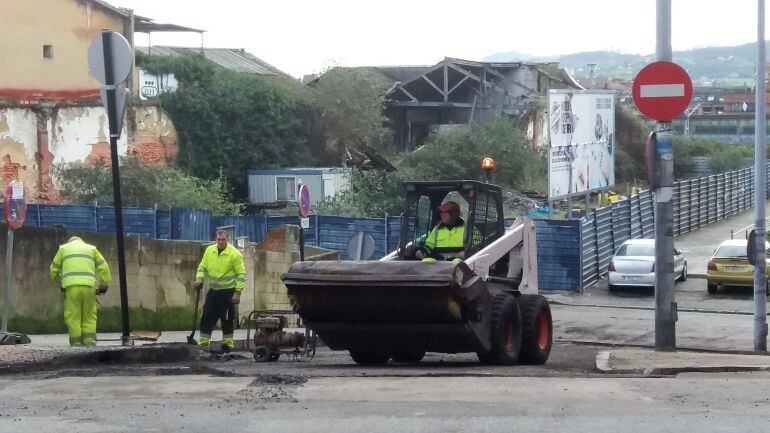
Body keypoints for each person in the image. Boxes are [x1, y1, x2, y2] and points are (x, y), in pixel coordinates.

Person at [49, 236, 110, 347]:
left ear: (70, 242)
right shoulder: (91, 249)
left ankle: (76, 343)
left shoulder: (63, 249)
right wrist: (104, 284)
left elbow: (53, 269)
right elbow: (104, 267)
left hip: (72, 288)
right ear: (81, 241)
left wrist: (60, 283)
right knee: (89, 316)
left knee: (73, 316)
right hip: (89, 288)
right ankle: (90, 342)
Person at [194, 230, 246, 352]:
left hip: (228, 293)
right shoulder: (209, 251)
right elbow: (202, 266)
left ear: (227, 239)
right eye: (219, 239)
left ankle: (226, 346)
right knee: (206, 317)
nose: (221, 242)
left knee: (227, 320)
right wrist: (198, 279)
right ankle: (203, 344)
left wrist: (237, 293)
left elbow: (241, 274)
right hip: (214, 291)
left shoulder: (235, 254)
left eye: (223, 239)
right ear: (215, 239)